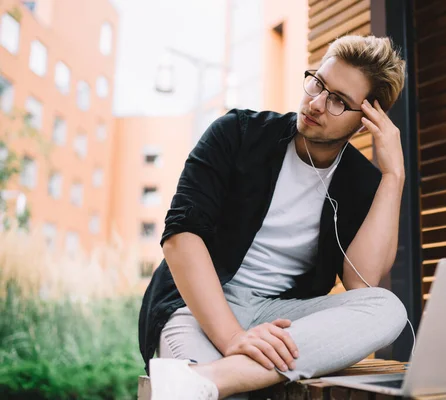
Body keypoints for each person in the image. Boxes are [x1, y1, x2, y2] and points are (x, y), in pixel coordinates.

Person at [139, 35, 408, 400]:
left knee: (387, 307)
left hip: (280, 317)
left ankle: (210, 377)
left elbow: (362, 282)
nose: (315, 103)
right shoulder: (237, 132)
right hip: (199, 305)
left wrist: (393, 177)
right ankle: (219, 377)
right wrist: (234, 337)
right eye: (318, 83)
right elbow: (180, 238)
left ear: (366, 121)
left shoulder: (360, 182)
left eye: (338, 101)